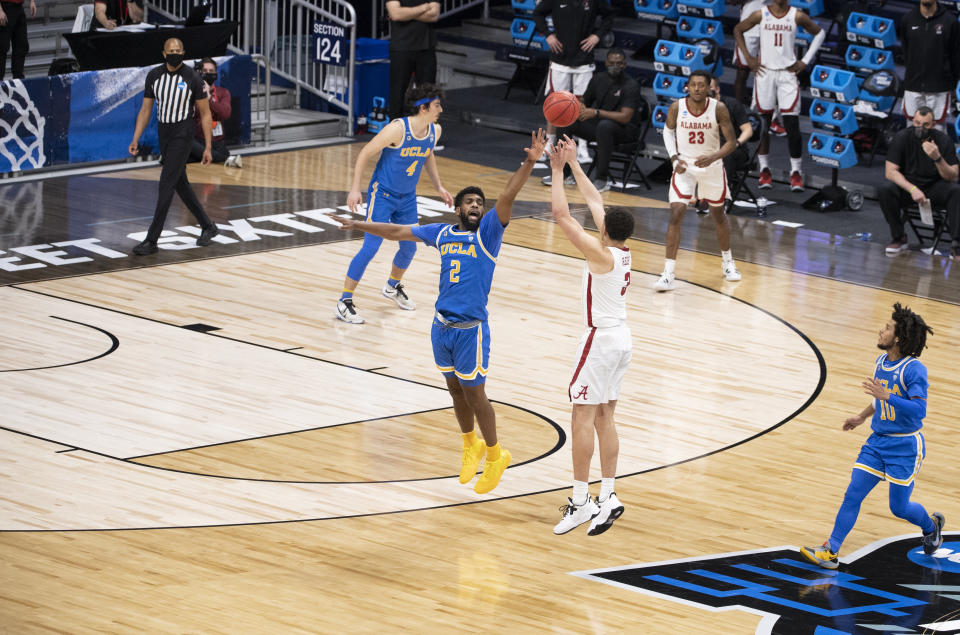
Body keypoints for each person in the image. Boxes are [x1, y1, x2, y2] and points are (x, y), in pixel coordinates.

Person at [338, 129, 549, 495]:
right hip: (441, 326)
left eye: (479, 204)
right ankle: (471, 444)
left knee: (476, 395)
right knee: (454, 391)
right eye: (469, 202)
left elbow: (509, 196)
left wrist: (529, 162)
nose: (475, 207)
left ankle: (496, 454)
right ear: (457, 208)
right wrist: (359, 225)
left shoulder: (488, 234)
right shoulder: (442, 233)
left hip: (471, 329)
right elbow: (395, 230)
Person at [800, 303, 943, 570]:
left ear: (898, 338)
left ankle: (931, 526)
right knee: (853, 494)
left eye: (887, 328)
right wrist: (862, 416)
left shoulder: (914, 370)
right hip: (877, 442)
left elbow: (919, 410)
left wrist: (888, 396)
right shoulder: (881, 362)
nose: (881, 330)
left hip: (905, 446)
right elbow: (881, 401)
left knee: (899, 508)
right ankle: (831, 550)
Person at [547, 137, 634, 536]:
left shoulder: (600, 254)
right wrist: (576, 166)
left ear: (604, 231)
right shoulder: (622, 249)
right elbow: (595, 199)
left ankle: (582, 501)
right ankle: (609, 493)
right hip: (622, 339)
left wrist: (556, 169)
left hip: (600, 340)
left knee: (581, 415)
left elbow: (562, 215)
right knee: (605, 415)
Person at [335, 83, 454, 324]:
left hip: (407, 196)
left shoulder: (435, 130)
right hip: (384, 194)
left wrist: (438, 186)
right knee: (370, 247)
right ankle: (344, 301)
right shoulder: (397, 129)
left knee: (410, 246)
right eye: (436, 105)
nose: (440, 109)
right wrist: (356, 188)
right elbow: (365, 153)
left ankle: (392, 285)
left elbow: (428, 153)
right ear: (423, 108)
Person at [128, 38, 219, 256]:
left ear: (184, 52)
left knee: (166, 184)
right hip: (164, 133)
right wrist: (135, 138)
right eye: (172, 50)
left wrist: (207, 146)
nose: (175, 53)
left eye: (179, 50)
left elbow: (206, 114)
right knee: (180, 184)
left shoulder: (193, 78)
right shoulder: (154, 76)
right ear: (164, 53)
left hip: (183, 133)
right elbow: (145, 110)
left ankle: (152, 240)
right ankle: (208, 226)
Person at [654, 71, 741, 291]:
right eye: (693, 85)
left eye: (701, 85)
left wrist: (713, 156)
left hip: (711, 165)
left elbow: (732, 142)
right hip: (685, 166)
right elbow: (667, 131)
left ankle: (728, 262)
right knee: (676, 213)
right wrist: (674, 158)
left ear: (709, 87)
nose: (697, 89)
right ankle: (668, 272)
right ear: (688, 87)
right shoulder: (677, 107)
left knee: (718, 215)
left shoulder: (718, 108)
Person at [734, 0, 824, 192]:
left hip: (787, 74)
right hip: (765, 73)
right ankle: (764, 169)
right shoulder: (761, 14)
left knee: (792, 125)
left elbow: (820, 33)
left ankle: (796, 172)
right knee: (764, 123)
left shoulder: (796, 15)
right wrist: (749, 58)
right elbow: (738, 30)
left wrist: (805, 60)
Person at [541, 48, 642, 193]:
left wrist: (595, 112)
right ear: (606, 63)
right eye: (612, 62)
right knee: (567, 120)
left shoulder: (631, 85)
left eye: (619, 63)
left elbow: (625, 117)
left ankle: (602, 179)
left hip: (626, 131)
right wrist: (577, 105)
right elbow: (585, 100)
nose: (615, 66)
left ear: (624, 65)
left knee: (604, 126)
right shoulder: (598, 79)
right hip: (601, 127)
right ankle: (564, 174)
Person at [533, 0, 615, 162]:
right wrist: (547, 34)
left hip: (584, 59)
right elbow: (537, 13)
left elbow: (610, 15)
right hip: (559, 59)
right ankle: (550, 144)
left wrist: (597, 36)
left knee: (582, 104)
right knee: (554, 104)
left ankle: (582, 148)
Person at [878, 106, 960, 260]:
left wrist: (937, 158)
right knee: (885, 189)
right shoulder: (902, 137)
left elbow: (953, 176)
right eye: (917, 123)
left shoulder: (943, 140)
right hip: (910, 187)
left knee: (956, 191)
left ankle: (957, 245)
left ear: (933, 124)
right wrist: (912, 189)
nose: (920, 128)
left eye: (925, 124)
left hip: (935, 187)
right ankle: (898, 237)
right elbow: (890, 172)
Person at [899, 0, 960, 128]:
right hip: (912, 86)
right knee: (912, 133)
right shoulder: (908, 19)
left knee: (937, 133)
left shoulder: (950, 22)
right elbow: (906, 52)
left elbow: (955, 56)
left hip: (940, 88)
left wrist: (953, 83)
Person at [386, 0, 439, 122]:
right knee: (397, 93)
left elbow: (434, 15)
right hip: (401, 48)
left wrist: (407, 13)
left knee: (428, 94)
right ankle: (395, 134)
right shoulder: (424, 6)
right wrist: (424, 8)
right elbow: (396, 14)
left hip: (426, 48)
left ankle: (427, 133)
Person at [190, 57, 241, 167]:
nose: (208, 74)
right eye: (205, 71)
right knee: (186, 142)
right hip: (199, 141)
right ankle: (225, 159)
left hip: (218, 142)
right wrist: (202, 93)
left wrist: (210, 99)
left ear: (216, 73)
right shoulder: (193, 93)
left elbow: (225, 113)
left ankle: (212, 156)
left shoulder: (223, 92)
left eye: (211, 71)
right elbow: (194, 113)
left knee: (188, 157)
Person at [0, 0, 35, 81]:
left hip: (19, 7)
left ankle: (18, 79)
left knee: (22, 45)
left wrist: (32, 1)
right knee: (2, 47)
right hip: (5, 6)